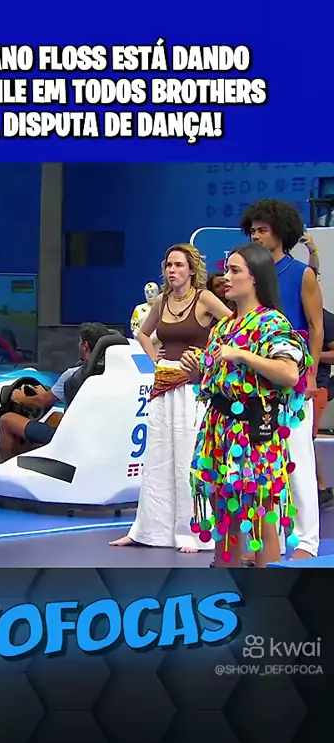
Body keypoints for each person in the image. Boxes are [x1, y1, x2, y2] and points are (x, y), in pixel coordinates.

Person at [181, 243, 310, 568]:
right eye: (227, 269)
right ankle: (226, 582)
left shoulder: (272, 323)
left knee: (260, 512)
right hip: (218, 429)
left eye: (235, 270)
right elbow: (211, 381)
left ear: (255, 278)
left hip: (254, 430)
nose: (226, 277)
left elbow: (289, 374)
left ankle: (269, 587)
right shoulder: (223, 327)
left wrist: (243, 355)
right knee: (224, 513)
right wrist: (196, 372)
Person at [110, 244, 231, 552]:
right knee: (158, 457)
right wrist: (156, 360)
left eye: (178, 265)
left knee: (189, 457)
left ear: (191, 270)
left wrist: (208, 357)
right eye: (168, 265)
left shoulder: (204, 298)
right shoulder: (161, 300)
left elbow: (234, 326)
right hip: (163, 382)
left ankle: (194, 531)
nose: (172, 270)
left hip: (191, 386)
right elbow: (142, 334)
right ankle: (149, 531)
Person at [240, 200, 323, 560]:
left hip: (294, 381)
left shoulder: (301, 273)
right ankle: (264, 541)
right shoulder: (251, 277)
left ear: (281, 232)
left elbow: (316, 328)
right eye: (253, 231)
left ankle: (307, 541)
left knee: (298, 461)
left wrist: (311, 374)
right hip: (257, 383)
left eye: (263, 230)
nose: (256, 236)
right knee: (258, 464)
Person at [0, 322, 110, 460]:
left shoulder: (73, 375)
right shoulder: (110, 372)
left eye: (80, 342)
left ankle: (5, 466)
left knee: (6, 420)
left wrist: (21, 398)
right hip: (95, 434)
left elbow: (42, 402)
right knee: (55, 417)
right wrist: (48, 393)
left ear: (85, 345)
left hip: (72, 437)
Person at [314, 309, 334, 507]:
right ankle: (319, 488)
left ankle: (319, 489)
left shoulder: (325, 319)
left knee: (306, 439)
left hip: (316, 387)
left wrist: (313, 354)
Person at [130, 282, 161, 351]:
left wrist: (151, 339)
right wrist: (142, 339)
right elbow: (134, 327)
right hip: (140, 346)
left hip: (159, 346)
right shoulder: (138, 309)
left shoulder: (163, 308)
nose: (149, 293)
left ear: (157, 292)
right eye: (147, 292)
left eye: (152, 291)